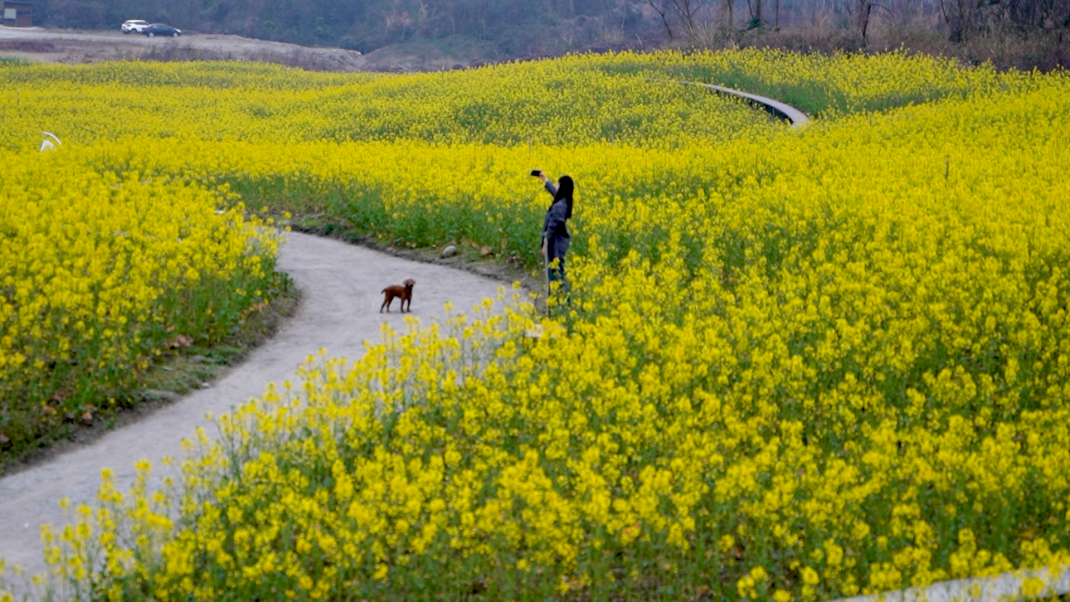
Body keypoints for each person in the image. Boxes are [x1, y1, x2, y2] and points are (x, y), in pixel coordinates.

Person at [531, 170, 573, 294]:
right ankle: (557, 299)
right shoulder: (564, 200)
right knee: (556, 272)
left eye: (557, 184)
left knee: (556, 274)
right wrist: (544, 179)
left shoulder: (559, 206)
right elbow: (555, 192)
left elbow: (551, 228)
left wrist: (545, 245)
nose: (555, 186)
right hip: (557, 243)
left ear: (562, 187)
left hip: (556, 245)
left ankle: (562, 299)